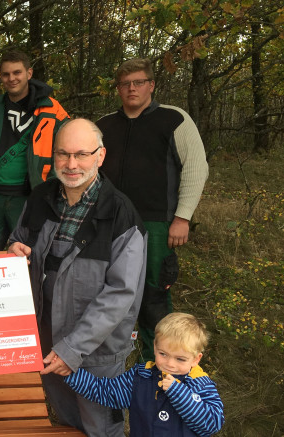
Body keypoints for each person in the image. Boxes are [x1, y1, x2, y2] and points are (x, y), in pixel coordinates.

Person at [7, 118, 146, 436]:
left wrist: (73, 349)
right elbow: (18, 240)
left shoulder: (120, 214)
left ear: (100, 156)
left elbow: (121, 294)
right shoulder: (40, 197)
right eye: (63, 154)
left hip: (95, 353)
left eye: (82, 154)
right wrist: (13, 249)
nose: (71, 164)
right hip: (46, 341)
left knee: (100, 428)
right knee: (68, 423)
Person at [97, 58, 209, 363]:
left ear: (151, 85)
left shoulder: (174, 119)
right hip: (109, 221)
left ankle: (159, 364)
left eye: (139, 82)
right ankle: (106, 359)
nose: (132, 89)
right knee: (106, 289)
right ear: (118, 88)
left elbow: (197, 168)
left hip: (156, 223)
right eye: (125, 84)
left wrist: (183, 217)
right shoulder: (105, 126)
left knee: (154, 295)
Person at [0, 50, 69, 251]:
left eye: (17, 72)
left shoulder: (52, 109)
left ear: (29, 73)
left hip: (31, 196)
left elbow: (68, 150)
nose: (11, 78)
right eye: (6, 74)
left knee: (29, 257)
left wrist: (52, 190)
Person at [65, 312, 225, 436]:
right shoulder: (141, 376)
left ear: (196, 359)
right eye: (163, 354)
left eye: (180, 359)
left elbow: (212, 424)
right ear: (155, 347)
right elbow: (107, 392)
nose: (170, 364)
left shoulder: (200, 384)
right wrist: (71, 373)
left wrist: (179, 393)